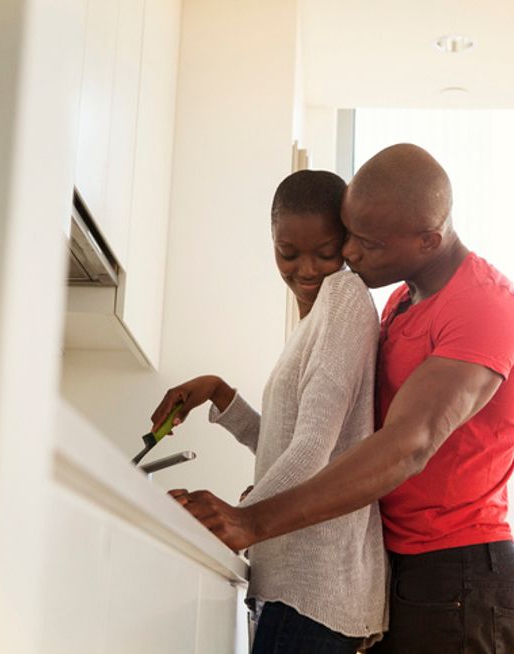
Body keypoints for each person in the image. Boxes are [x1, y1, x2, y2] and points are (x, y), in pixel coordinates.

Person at [172, 143, 514, 653]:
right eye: (349, 235)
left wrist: (252, 519)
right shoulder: (400, 303)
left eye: (366, 243)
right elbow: (342, 440)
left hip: (458, 571)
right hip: (398, 564)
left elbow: (409, 445)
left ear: (428, 240)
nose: (350, 254)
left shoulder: (484, 307)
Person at [153, 170, 388, 653]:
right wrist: (219, 394)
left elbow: (312, 451)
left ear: (347, 243)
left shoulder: (344, 297)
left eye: (325, 252)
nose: (306, 269)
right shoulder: (312, 320)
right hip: (290, 586)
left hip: (314, 589)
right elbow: (285, 445)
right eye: (288, 253)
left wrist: (238, 517)